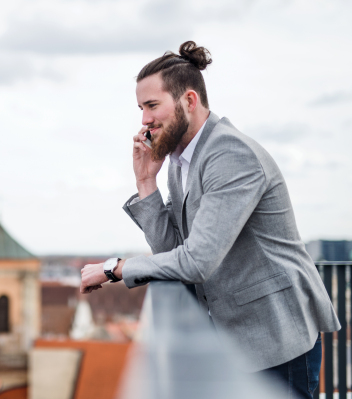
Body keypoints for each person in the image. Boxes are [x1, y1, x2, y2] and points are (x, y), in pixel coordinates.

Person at [79, 41, 340, 398]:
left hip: (276, 334)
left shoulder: (230, 154)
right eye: (141, 108)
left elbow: (197, 261)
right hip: (236, 339)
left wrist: (115, 268)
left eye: (152, 105)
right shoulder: (179, 162)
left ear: (189, 100)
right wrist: (145, 183)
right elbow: (172, 250)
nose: (144, 120)